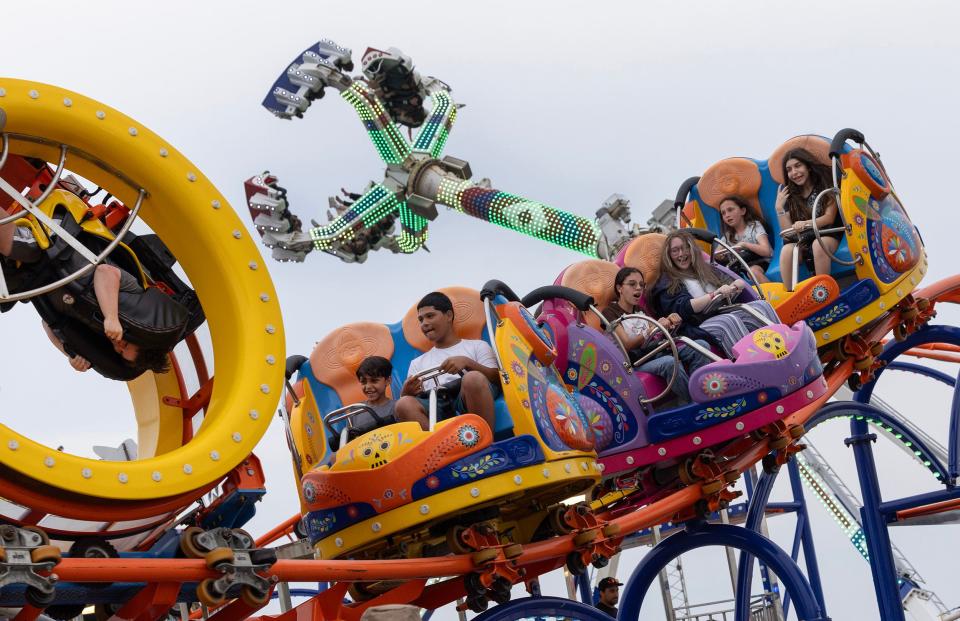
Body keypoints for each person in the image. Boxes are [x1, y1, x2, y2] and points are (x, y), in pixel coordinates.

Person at [1, 205, 178, 375]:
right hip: (56, 238)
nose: (118, 345)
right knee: (23, 247)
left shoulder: (95, 326)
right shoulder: (133, 295)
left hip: (32, 276)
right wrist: (111, 317)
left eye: (119, 351)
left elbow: (48, 323)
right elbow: (104, 272)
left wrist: (70, 353)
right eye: (126, 345)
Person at [652, 230, 780, 359]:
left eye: (685, 248)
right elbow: (683, 308)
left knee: (761, 306)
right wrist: (714, 295)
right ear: (668, 256)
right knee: (728, 322)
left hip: (722, 311)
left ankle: (784, 348)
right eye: (675, 250)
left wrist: (735, 285)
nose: (681, 253)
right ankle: (753, 363)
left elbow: (731, 281)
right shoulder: (668, 281)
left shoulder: (704, 268)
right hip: (697, 325)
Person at [602, 266, 712, 404]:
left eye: (641, 285)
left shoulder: (640, 311)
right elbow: (627, 344)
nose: (638, 288)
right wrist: (653, 329)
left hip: (654, 353)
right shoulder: (610, 312)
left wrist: (670, 323)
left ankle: (700, 391)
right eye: (632, 284)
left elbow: (656, 335)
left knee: (701, 346)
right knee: (670, 363)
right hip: (635, 362)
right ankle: (696, 402)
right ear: (619, 288)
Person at [395, 292, 501, 432]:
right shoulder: (417, 363)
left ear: (449, 316)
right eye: (420, 320)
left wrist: (468, 363)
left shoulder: (477, 346)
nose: (424, 323)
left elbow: (496, 377)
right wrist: (406, 392)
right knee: (403, 403)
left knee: (473, 378)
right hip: (436, 404)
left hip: (466, 396)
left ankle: (483, 437)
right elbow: (411, 401)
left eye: (430, 316)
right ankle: (439, 448)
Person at [775, 148, 844, 289]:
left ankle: (823, 290)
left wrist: (805, 223)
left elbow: (829, 218)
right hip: (805, 239)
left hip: (827, 233)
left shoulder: (825, 184)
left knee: (818, 245)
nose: (794, 172)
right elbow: (789, 234)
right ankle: (790, 295)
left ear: (808, 166)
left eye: (798, 166)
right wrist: (779, 209)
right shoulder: (792, 196)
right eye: (789, 169)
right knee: (787, 250)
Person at [715, 196, 772, 284]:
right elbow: (717, 254)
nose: (727, 215)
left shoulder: (754, 226)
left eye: (730, 210)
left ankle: (772, 295)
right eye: (723, 213)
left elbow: (766, 251)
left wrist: (744, 245)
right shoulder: (728, 235)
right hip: (742, 267)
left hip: (760, 261)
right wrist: (722, 255)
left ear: (743, 211)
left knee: (753, 272)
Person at [352, 355, 397, 437]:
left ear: (388, 381)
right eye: (363, 382)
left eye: (374, 381)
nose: (368, 386)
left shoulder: (397, 407)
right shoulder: (355, 411)